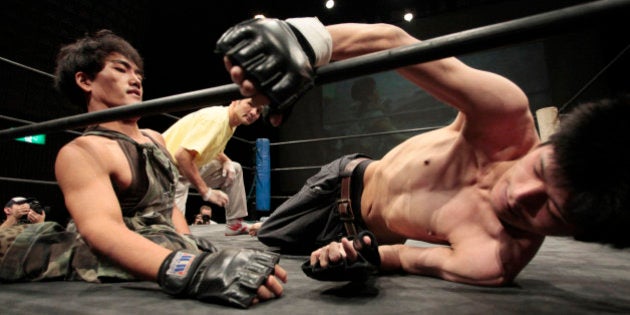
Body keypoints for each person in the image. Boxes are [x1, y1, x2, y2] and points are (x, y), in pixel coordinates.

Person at [216, 17, 630, 285]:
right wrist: (305, 43)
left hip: (349, 232)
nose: (520, 194)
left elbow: (402, 258)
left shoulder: (491, 261)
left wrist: (363, 260)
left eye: (550, 209)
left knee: (269, 239)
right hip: (343, 174)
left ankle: (262, 227)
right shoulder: (503, 114)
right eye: (539, 169)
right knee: (267, 235)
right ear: (550, 142)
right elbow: (393, 41)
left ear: (574, 232)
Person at [0, 29, 286, 308]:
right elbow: (102, 230)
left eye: (138, 73)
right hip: (108, 247)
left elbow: (167, 204)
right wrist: (189, 268)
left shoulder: (155, 138)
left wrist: (189, 243)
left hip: (159, 237)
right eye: (121, 69)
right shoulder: (82, 152)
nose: (135, 79)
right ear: (85, 80)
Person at [162, 98, 263, 236]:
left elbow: (212, 148)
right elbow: (182, 156)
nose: (253, 113)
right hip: (166, 169)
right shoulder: (217, 120)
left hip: (185, 168)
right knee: (175, 236)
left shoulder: (231, 123)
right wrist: (206, 191)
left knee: (235, 168)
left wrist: (226, 161)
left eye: (258, 111)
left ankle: (235, 225)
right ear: (235, 101)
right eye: (251, 105)